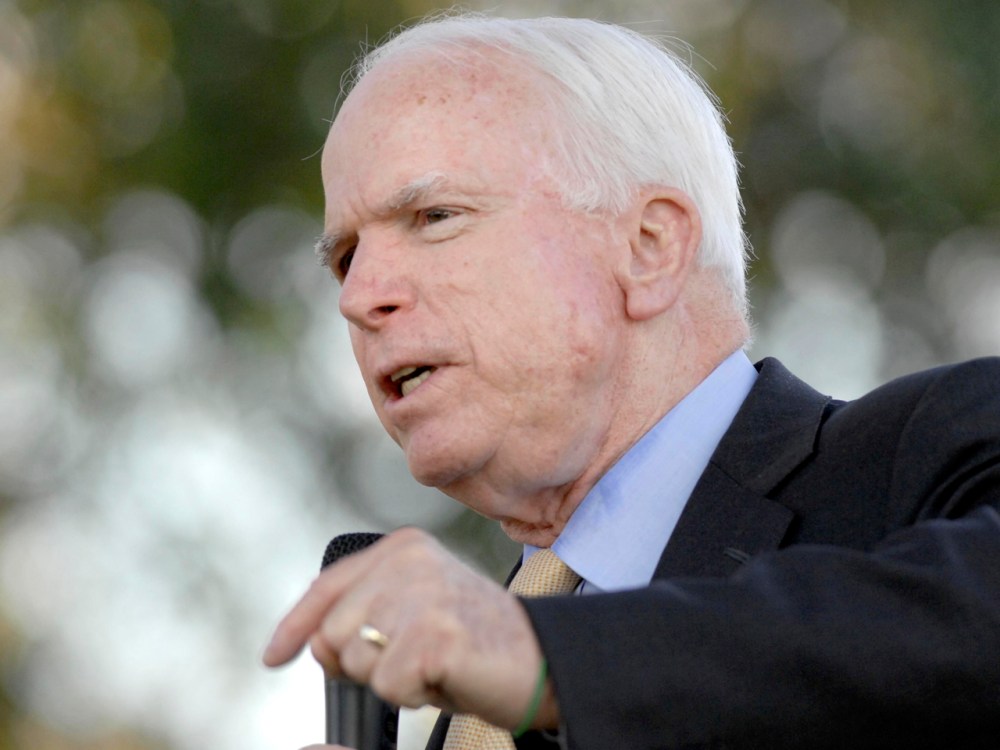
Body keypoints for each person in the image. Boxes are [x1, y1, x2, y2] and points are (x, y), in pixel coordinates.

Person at [262, 13, 1000, 750]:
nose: (360, 297)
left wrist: (553, 660)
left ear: (649, 247)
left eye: (434, 216)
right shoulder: (478, 697)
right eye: (347, 257)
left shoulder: (933, 451)